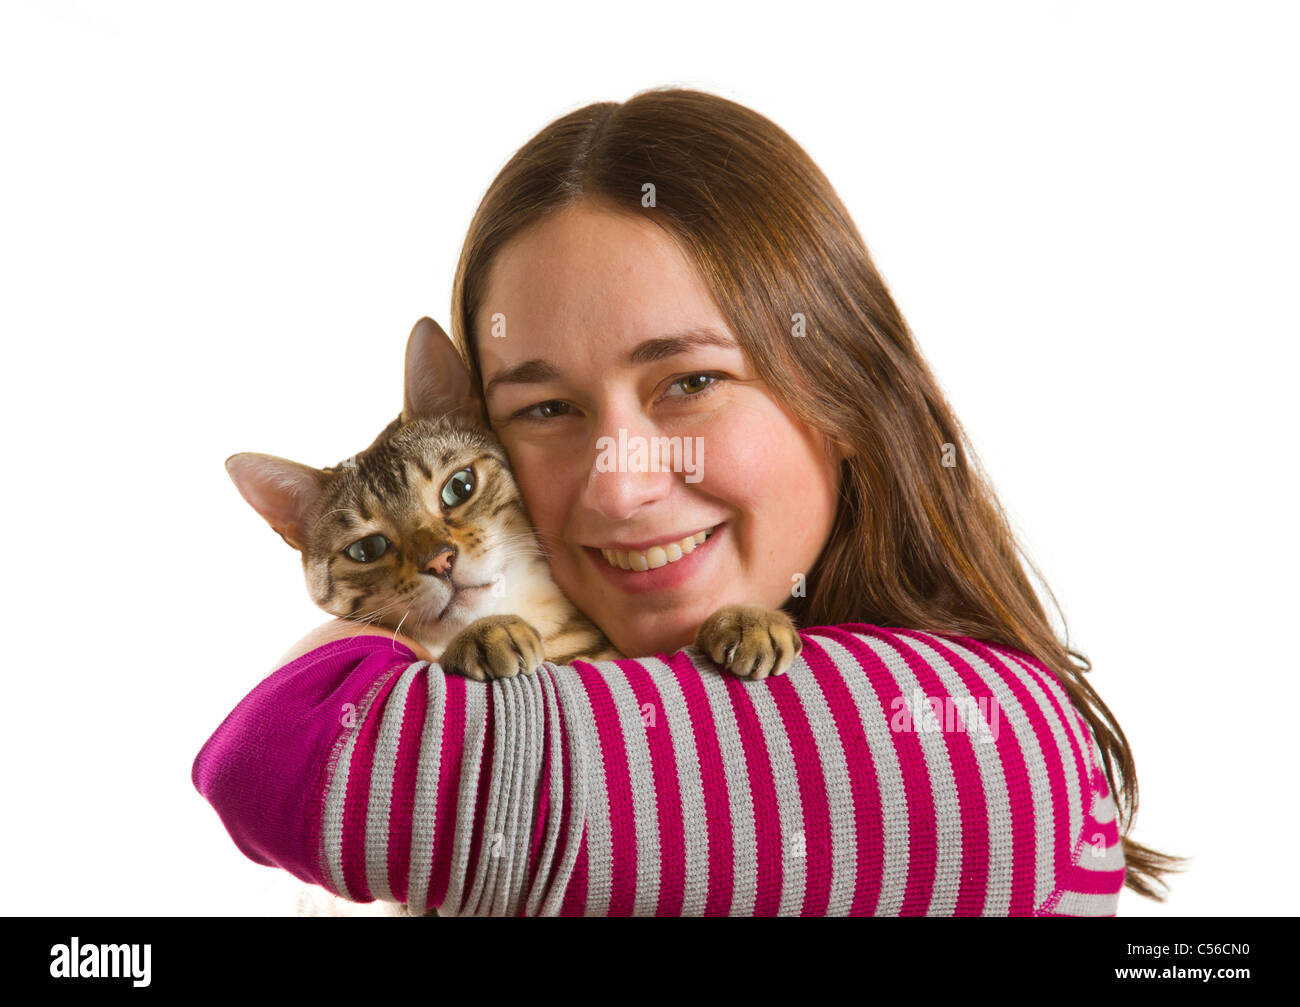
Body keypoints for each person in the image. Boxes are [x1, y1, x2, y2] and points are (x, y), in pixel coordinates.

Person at [194, 87, 1181, 915]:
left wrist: (362, 643)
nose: (618, 484)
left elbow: (284, 748)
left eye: (692, 380)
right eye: (543, 406)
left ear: (844, 391)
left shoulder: (976, 735)